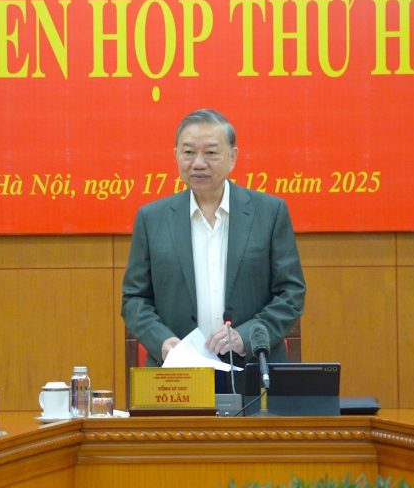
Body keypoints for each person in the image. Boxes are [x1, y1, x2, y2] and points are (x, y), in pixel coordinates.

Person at [121, 109, 306, 370]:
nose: (198, 163)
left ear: (232, 157)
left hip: (251, 369)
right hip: (177, 373)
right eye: (188, 152)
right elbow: (134, 298)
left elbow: (291, 293)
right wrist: (162, 341)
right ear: (176, 156)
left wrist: (246, 336)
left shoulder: (269, 213)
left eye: (210, 152)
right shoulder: (151, 218)